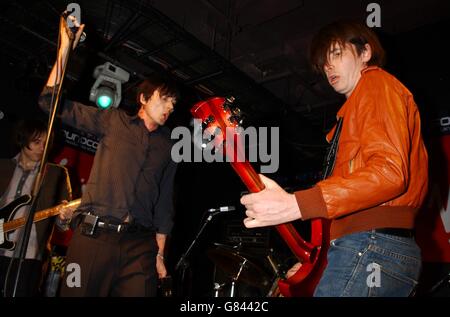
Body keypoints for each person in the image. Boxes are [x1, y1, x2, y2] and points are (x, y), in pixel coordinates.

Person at [241, 20, 428, 297]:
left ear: (365, 52)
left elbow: (389, 173)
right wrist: (318, 262)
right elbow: (350, 202)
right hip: (369, 246)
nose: (328, 66)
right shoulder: (348, 114)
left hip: (372, 244)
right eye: (324, 61)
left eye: (337, 54)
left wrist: (297, 204)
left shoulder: (375, 84)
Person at [39, 19, 178, 297]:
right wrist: (65, 49)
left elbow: (164, 203)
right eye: (164, 100)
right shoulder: (113, 121)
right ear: (144, 98)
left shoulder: (169, 146)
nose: (169, 108)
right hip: (93, 238)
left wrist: (159, 254)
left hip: (140, 246)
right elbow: (49, 102)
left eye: (173, 104)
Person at [0, 118, 73, 297]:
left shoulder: (57, 173)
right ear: (23, 140)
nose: (43, 147)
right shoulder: (2, 167)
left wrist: (64, 217)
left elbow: (63, 223)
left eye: (46, 143)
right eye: (37, 142)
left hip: (31, 255)